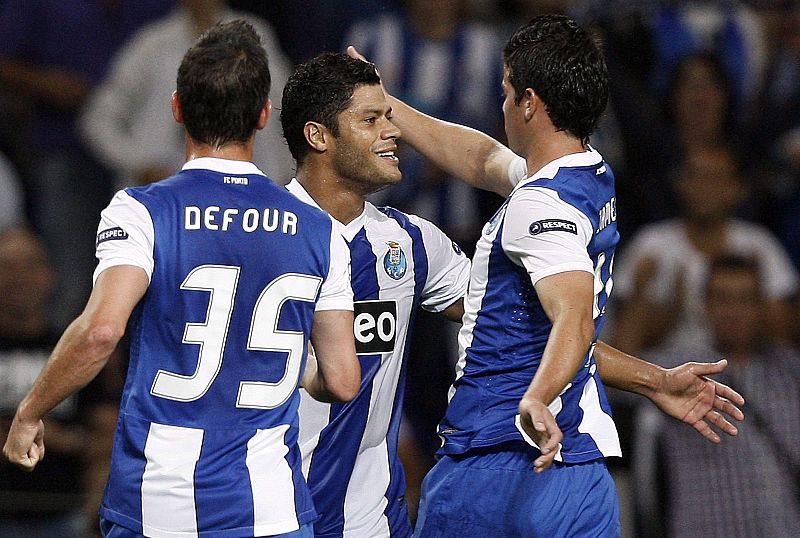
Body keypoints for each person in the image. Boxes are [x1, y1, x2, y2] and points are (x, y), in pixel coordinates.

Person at [286, 50, 745, 537]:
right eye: (372, 119)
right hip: (271, 504)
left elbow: (533, 332)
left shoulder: (411, 245)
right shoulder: (261, 241)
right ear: (318, 135)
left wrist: (650, 380)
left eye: (389, 116)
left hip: (374, 518)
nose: (392, 129)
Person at [3, 20, 360, 538]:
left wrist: (31, 410)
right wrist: (282, 368)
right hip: (271, 508)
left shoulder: (143, 211)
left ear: (177, 108)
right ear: (263, 115)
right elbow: (343, 379)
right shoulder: (320, 230)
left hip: (158, 504)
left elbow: (102, 331)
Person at [633, 254, 800, 537]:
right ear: (704, 306)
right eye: (722, 299)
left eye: (745, 299)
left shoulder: (790, 371)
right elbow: (605, 378)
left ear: (762, 306)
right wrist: (641, 297)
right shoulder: (678, 371)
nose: (733, 311)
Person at [80, 0, 294, 188]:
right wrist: (138, 164)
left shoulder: (255, 36)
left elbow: (287, 107)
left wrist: (287, 169)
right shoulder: (152, 44)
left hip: (252, 189)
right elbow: (99, 117)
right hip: (161, 193)